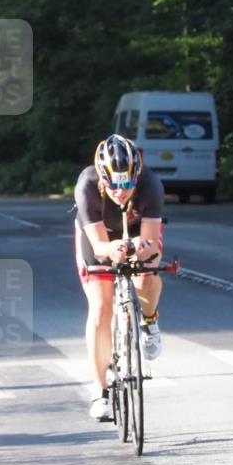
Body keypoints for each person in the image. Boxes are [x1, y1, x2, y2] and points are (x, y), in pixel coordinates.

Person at [74, 134, 164, 421]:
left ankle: (149, 322)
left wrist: (142, 250)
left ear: (137, 176)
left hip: (137, 233)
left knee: (147, 275)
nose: (121, 191)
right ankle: (100, 390)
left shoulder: (150, 185)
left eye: (127, 184)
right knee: (101, 308)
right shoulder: (87, 185)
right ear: (102, 177)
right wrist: (111, 249)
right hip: (99, 237)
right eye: (114, 184)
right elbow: (99, 247)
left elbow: (152, 247)